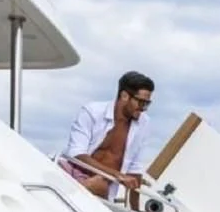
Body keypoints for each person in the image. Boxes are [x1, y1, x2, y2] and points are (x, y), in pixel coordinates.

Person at [60, 71, 155, 199]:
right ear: (124, 95)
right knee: (99, 184)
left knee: (101, 185)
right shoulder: (92, 111)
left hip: (103, 191)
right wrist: (117, 175)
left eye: (147, 103)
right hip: (73, 175)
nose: (143, 108)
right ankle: (68, 194)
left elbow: (135, 170)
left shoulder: (144, 123)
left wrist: (135, 211)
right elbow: (76, 153)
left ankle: (71, 195)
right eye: (140, 102)